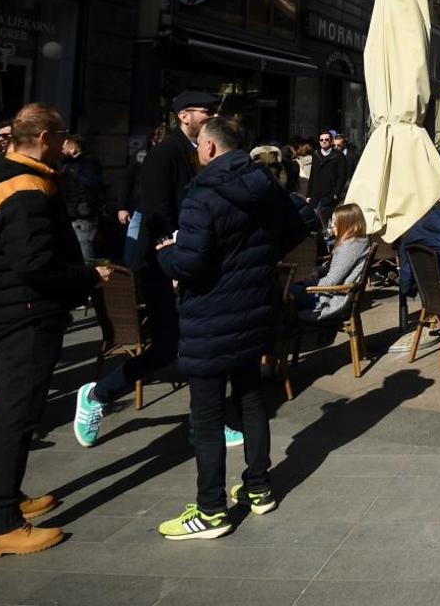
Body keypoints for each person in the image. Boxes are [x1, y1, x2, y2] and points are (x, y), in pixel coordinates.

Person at [154, 117, 309, 540]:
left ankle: (210, 510)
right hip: (254, 307)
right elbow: (297, 228)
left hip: (211, 315)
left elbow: (189, 264)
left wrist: (166, 255)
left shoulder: (202, 195)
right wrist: (255, 261)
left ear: (208, 148)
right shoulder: (264, 182)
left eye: (198, 146)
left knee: (206, 416)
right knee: (251, 400)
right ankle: (258, 488)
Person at [0, 103, 108, 559]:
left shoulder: (7, 172)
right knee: (15, 414)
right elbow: (34, 263)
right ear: (46, 136)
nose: (65, 141)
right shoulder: (25, 188)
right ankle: (0, 525)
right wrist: (88, 278)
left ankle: (3, 501)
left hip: (12, 309)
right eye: (62, 134)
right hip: (25, 314)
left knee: (12, 412)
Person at [74, 91, 238, 449]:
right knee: (166, 348)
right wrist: (175, 259)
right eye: (205, 111)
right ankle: (97, 395)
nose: (211, 115)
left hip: (192, 260)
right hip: (161, 264)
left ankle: (204, 423)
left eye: (213, 111)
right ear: (183, 116)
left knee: (200, 343)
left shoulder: (200, 151)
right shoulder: (166, 154)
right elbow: (158, 210)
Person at [297, 203, 371, 322]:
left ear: (346, 223)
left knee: (284, 293)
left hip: (333, 300)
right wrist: (318, 271)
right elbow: (337, 268)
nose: (331, 225)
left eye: (335, 222)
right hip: (337, 294)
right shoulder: (357, 241)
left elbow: (331, 281)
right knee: (288, 291)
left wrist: (308, 283)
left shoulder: (350, 246)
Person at [117, 124, 166, 269]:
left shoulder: (144, 155)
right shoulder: (141, 155)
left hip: (152, 206)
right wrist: (121, 207)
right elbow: (127, 180)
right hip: (141, 206)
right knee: (133, 246)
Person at [58, 134, 105, 264]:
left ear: (73, 149)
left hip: (83, 214)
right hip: (71, 213)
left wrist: (73, 172)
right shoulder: (65, 164)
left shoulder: (89, 163)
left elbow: (93, 183)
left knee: (85, 248)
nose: (62, 150)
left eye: (65, 147)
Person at [306, 131, 349, 220]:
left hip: (329, 194)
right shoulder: (315, 154)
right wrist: (308, 194)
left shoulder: (339, 156)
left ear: (331, 141)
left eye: (326, 139)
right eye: (321, 140)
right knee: (314, 217)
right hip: (316, 193)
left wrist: (336, 193)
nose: (324, 141)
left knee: (323, 218)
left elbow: (342, 176)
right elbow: (312, 175)